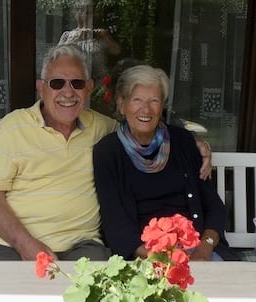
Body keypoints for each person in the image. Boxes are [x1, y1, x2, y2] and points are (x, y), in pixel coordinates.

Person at [0, 45, 212, 261]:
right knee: (4, 290)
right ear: (41, 88)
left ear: (89, 88)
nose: (68, 92)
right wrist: (25, 244)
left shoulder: (101, 128)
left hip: (82, 247)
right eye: (57, 83)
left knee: (98, 287)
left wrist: (194, 142)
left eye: (77, 83)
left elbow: (143, 125)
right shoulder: (14, 127)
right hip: (13, 245)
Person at [93, 64, 239, 261]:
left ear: (162, 106)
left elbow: (214, 206)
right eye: (137, 100)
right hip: (144, 256)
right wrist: (163, 260)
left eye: (154, 101)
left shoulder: (183, 141)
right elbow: (115, 223)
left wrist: (205, 249)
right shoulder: (108, 151)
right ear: (121, 104)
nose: (146, 109)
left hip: (197, 249)